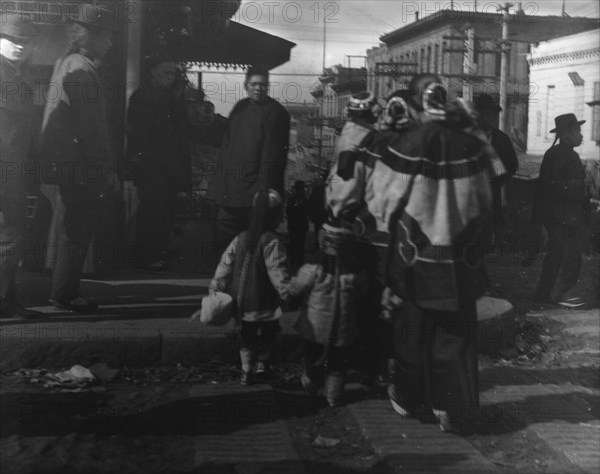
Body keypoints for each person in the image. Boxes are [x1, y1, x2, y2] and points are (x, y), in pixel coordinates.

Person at [355, 75, 498, 433]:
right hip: (459, 257)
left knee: (412, 330)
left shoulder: (406, 144)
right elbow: (487, 200)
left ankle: (409, 399)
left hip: (413, 255)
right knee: (456, 334)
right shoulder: (471, 145)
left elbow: (381, 199)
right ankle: (452, 408)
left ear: (417, 105)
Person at [39, 4, 119, 313]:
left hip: (66, 163)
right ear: (92, 36)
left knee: (68, 228)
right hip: (83, 167)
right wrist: (106, 168)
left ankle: (61, 291)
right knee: (78, 230)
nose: (110, 43)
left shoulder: (66, 62)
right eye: (107, 36)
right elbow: (92, 129)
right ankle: (65, 295)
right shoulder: (84, 70)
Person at [208, 189, 294, 385]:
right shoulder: (272, 241)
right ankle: (263, 364)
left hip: (241, 300)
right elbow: (277, 271)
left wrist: (216, 288)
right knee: (269, 331)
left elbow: (224, 265)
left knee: (246, 335)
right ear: (274, 216)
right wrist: (287, 293)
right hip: (264, 298)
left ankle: (246, 371)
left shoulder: (240, 238)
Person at [214, 66, 290, 254]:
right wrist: (218, 187)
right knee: (224, 242)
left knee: (253, 247)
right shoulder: (240, 107)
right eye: (254, 84)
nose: (259, 88)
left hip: (255, 193)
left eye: (263, 85)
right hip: (231, 190)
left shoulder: (276, 112)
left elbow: (273, 156)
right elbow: (227, 147)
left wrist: (264, 193)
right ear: (245, 86)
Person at [127, 56, 190, 273]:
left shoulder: (171, 97)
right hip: (152, 165)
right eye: (165, 73)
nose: (170, 78)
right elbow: (139, 134)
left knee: (164, 212)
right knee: (151, 212)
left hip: (169, 165)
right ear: (153, 72)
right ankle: (147, 256)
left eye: (173, 74)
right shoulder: (142, 97)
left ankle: (158, 251)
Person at [0, 15, 44, 318]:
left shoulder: (19, 75)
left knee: (10, 237)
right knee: (10, 236)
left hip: (14, 169)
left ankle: (9, 302)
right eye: (13, 39)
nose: (19, 46)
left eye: (25, 41)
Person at [531, 113, 589, 309]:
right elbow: (551, 185)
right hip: (561, 215)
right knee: (568, 254)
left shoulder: (557, 153)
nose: (581, 136)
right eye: (578, 132)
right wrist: (579, 184)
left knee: (557, 254)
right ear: (567, 133)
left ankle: (545, 293)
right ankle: (563, 293)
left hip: (560, 215)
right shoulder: (564, 154)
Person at [473, 94, 519, 238]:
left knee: (487, 233)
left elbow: (511, 164)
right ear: (476, 115)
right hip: (469, 194)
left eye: (491, 114)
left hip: (493, 194)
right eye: (483, 114)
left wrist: (496, 179)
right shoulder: (466, 136)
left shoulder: (501, 138)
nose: (488, 118)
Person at [286, 180, 309, 267]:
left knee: (293, 242)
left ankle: (293, 259)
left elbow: (288, 212)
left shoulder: (291, 200)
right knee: (300, 243)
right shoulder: (305, 200)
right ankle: (299, 260)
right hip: (301, 225)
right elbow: (308, 211)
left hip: (293, 225)